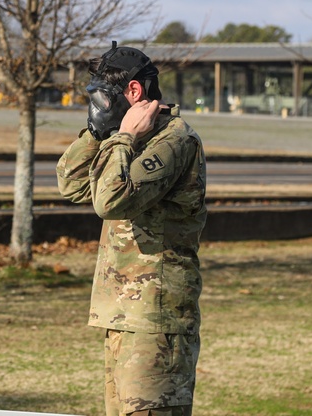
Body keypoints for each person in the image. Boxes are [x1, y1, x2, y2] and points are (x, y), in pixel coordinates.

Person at [56, 43, 207, 416]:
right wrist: (98, 131)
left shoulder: (173, 140)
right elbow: (71, 184)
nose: (96, 106)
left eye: (101, 99)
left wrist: (122, 138)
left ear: (134, 92)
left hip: (156, 323)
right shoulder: (122, 138)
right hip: (123, 318)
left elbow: (109, 202)